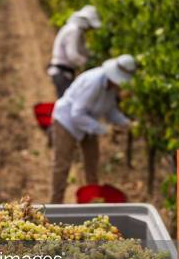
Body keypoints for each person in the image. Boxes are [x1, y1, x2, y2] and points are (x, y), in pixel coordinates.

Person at [51, 54, 136, 203]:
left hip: (88, 124)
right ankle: (55, 205)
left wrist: (126, 123)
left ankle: (92, 202)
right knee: (62, 165)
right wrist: (104, 129)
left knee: (92, 164)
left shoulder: (111, 87)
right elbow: (77, 114)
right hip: (67, 121)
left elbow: (110, 111)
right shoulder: (94, 82)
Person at [48, 5, 102, 98]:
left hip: (63, 73)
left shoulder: (76, 30)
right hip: (62, 73)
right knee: (66, 105)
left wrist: (93, 56)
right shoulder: (74, 30)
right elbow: (72, 55)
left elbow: (82, 50)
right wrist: (87, 63)